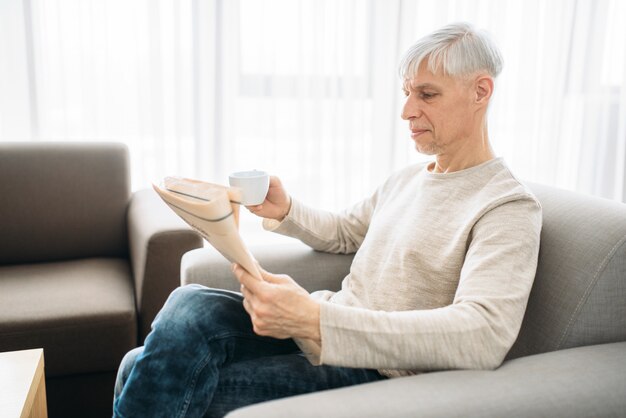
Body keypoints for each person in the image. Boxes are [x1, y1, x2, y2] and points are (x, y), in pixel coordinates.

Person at [112, 22, 542, 417]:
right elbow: (344, 232)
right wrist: (287, 210)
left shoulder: (505, 206)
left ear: (480, 91)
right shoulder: (408, 180)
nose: (406, 111)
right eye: (406, 93)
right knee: (187, 305)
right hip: (321, 332)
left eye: (427, 95)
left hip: (377, 371)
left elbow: (484, 333)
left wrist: (315, 319)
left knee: (143, 370)